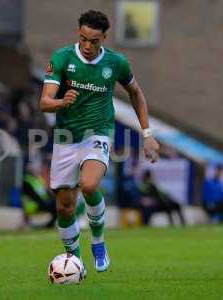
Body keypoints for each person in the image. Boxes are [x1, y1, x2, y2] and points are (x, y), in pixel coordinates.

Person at [39, 10, 159, 273]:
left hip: (98, 133)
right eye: (83, 39)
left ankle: (98, 241)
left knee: (90, 185)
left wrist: (147, 134)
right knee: (65, 206)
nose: (87, 45)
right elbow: (44, 102)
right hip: (65, 137)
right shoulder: (62, 58)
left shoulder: (116, 63)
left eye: (94, 41)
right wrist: (61, 101)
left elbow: (136, 93)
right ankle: (74, 260)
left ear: (104, 37)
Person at [22, 162, 56, 228]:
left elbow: (46, 192)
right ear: (29, 170)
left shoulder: (38, 179)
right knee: (54, 206)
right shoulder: (26, 181)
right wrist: (47, 202)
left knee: (56, 205)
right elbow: (33, 195)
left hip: (41, 202)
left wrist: (53, 198)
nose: (36, 170)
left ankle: (50, 225)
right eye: (34, 169)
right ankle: (49, 226)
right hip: (33, 205)